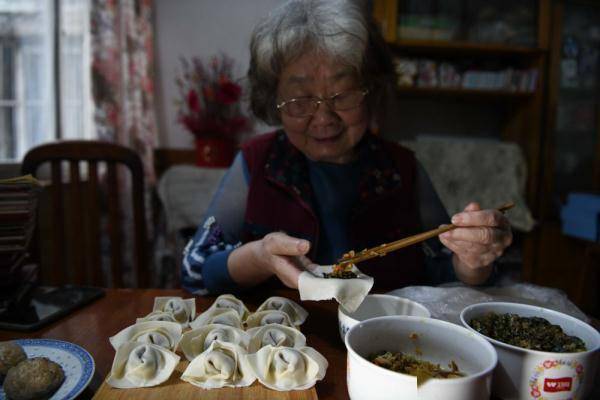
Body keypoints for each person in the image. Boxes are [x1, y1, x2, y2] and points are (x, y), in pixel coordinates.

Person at [182, 0, 512, 296]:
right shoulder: (257, 161)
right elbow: (194, 269)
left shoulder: (401, 168)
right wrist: (258, 257)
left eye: (343, 95)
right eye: (300, 100)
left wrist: (473, 261)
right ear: (273, 101)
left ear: (373, 91)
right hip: (279, 352)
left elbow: (447, 271)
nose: (324, 118)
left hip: (386, 348)